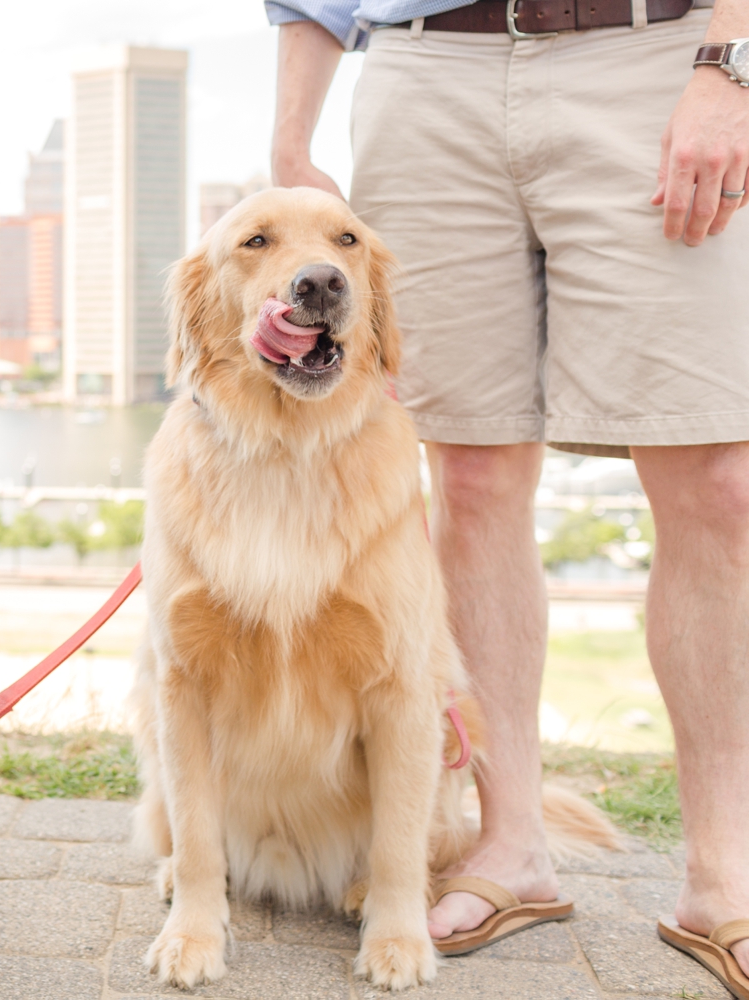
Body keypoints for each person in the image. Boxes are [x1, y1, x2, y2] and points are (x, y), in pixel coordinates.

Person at [268, 0, 749, 989]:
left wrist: (728, 64)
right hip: (426, 70)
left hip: (659, 53)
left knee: (716, 479)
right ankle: (511, 845)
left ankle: (725, 871)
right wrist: (291, 138)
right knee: (473, 476)